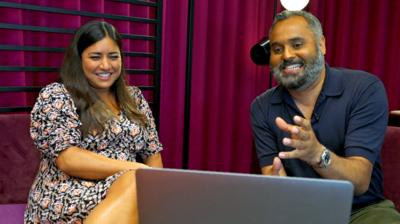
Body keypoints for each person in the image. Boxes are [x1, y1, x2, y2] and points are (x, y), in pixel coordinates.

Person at [250, 10, 400, 223]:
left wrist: (316, 154)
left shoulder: (364, 89)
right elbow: (272, 174)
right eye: (277, 49)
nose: (286, 55)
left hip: (360, 211)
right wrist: (277, 188)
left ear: (321, 45)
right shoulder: (262, 106)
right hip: (297, 212)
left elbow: (359, 182)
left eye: (297, 44)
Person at [24, 21, 163, 223]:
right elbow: (68, 159)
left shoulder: (135, 98)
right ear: (79, 59)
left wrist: (156, 191)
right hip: (69, 192)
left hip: (127, 186)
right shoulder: (57, 95)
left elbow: (153, 155)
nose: (106, 65)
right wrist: (134, 169)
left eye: (113, 57)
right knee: (135, 182)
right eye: (95, 57)